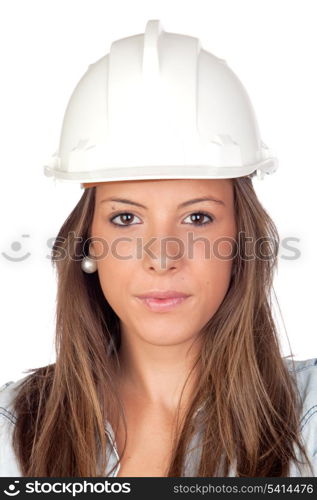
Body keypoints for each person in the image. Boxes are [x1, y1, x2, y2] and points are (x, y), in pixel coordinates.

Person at [0, 20, 316, 478]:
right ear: (89, 240)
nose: (162, 258)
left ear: (241, 242)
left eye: (197, 218)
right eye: (126, 219)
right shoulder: (12, 432)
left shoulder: (307, 420)